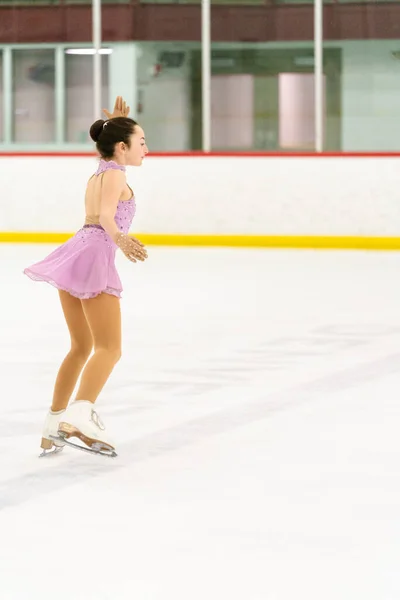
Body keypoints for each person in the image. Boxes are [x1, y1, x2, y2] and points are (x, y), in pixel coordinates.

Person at [24, 96, 149, 458]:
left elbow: (109, 153)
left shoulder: (103, 168)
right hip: (95, 253)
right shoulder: (116, 173)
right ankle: (80, 414)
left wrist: (119, 124)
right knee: (110, 348)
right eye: (141, 142)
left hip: (77, 249)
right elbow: (108, 217)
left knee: (81, 347)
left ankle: (53, 425)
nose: (146, 149)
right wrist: (122, 241)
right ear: (123, 148)